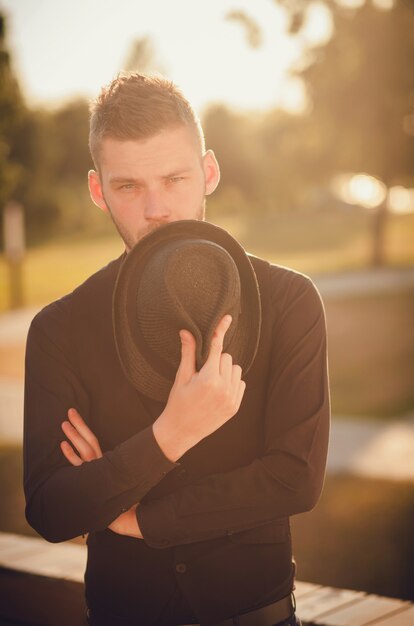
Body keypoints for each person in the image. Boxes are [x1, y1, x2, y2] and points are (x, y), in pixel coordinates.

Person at [23, 73, 330, 626]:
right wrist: (172, 435)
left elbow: (295, 478)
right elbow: (50, 509)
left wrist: (137, 518)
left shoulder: (290, 301)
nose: (156, 208)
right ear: (98, 191)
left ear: (208, 172)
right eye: (128, 187)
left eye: (174, 177)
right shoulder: (60, 328)